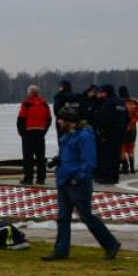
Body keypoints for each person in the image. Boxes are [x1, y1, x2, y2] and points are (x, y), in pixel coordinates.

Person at [42, 109, 121, 262]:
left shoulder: (85, 137)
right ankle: (61, 250)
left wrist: (77, 178)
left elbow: (89, 161)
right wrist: (58, 160)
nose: (58, 123)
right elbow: (70, 155)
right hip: (64, 181)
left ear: (69, 121)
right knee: (63, 217)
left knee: (87, 216)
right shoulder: (68, 136)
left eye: (61, 120)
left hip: (77, 183)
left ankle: (111, 244)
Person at [92, 85, 128, 185]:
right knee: (116, 156)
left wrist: (101, 130)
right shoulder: (120, 102)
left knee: (107, 156)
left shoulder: (108, 103)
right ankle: (114, 176)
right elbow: (127, 117)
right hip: (119, 133)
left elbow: (105, 119)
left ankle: (108, 177)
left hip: (109, 133)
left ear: (106, 92)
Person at [17, 86, 52, 185]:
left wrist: (22, 132)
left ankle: (28, 178)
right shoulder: (44, 104)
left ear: (31, 93)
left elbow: (21, 119)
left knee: (28, 157)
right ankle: (41, 179)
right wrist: (44, 130)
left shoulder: (26, 104)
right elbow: (49, 119)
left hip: (28, 132)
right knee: (41, 157)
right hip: (40, 132)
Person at [118, 86, 138, 174]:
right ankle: (132, 168)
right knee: (131, 148)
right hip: (132, 129)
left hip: (122, 129)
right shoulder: (134, 102)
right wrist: (132, 124)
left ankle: (125, 166)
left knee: (122, 148)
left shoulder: (119, 103)